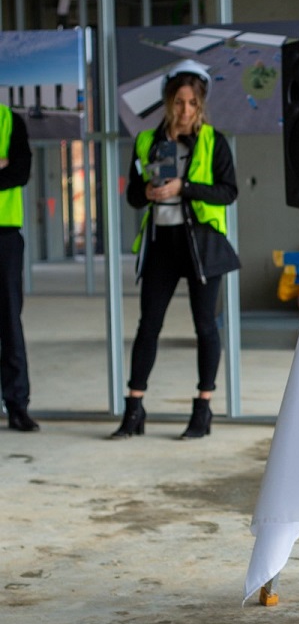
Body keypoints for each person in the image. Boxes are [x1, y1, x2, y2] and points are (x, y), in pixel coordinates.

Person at [110, 59, 240, 440]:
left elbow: (228, 192)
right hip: (161, 244)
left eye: (192, 104)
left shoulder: (214, 141)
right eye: (179, 103)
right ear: (168, 102)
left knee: (204, 326)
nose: (185, 111)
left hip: (201, 243)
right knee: (148, 325)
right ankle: (133, 408)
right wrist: (148, 192)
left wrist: (184, 187)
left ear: (201, 106)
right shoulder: (147, 141)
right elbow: (133, 195)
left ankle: (203, 409)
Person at [0, 104, 40, 432]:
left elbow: (20, 172)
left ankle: (17, 405)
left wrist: (9, 166)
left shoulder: (9, 120)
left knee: (9, 321)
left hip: (4, 235)